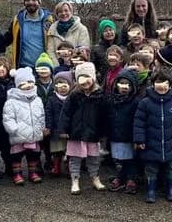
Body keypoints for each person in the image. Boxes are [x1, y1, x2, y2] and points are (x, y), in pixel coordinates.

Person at [134, 70, 172, 203]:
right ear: (153, 84)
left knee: (170, 168)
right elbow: (139, 123)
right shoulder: (145, 103)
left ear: (170, 85)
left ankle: (170, 189)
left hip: (170, 143)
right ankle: (151, 190)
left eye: (165, 83)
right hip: (150, 143)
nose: (162, 86)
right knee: (151, 168)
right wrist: (139, 140)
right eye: (158, 82)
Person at [57, 61, 108, 195]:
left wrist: (103, 132)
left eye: (87, 77)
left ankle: (95, 178)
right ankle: (75, 180)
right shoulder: (74, 95)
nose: (84, 82)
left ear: (93, 78)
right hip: (76, 133)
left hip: (93, 133)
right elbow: (66, 113)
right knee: (75, 158)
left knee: (94, 158)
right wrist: (63, 129)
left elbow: (104, 115)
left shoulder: (100, 95)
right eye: (81, 78)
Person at [3, 67, 46, 185]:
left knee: (33, 155)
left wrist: (42, 127)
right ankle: (17, 173)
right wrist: (13, 129)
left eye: (30, 82)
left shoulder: (37, 99)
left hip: (33, 133)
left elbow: (41, 115)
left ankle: (33, 172)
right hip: (19, 133)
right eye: (23, 83)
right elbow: (8, 117)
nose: (27, 85)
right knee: (16, 156)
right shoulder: (11, 101)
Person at [106, 68, 141, 194]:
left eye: (128, 85)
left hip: (130, 136)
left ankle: (131, 179)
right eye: (121, 84)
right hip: (115, 134)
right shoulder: (111, 100)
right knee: (118, 159)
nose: (124, 87)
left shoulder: (136, 102)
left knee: (130, 159)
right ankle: (120, 177)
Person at [5, 0, 55, 69]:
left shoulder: (49, 20)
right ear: (24, 3)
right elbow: (5, 40)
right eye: (27, 0)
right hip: (23, 67)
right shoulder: (17, 21)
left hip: (44, 66)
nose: (30, 2)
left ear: (39, 2)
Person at [44, 71, 73, 177]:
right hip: (56, 129)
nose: (62, 88)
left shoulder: (73, 99)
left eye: (65, 85)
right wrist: (48, 127)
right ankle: (56, 167)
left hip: (69, 129)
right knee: (57, 150)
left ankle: (70, 168)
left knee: (70, 150)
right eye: (59, 85)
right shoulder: (52, 99)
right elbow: (48, 114)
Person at [91, 19, 118, 83]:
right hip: (103, 81)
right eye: (105, 31)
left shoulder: (121, 47)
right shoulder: (96, 50)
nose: (108, 32)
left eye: (110, 30)